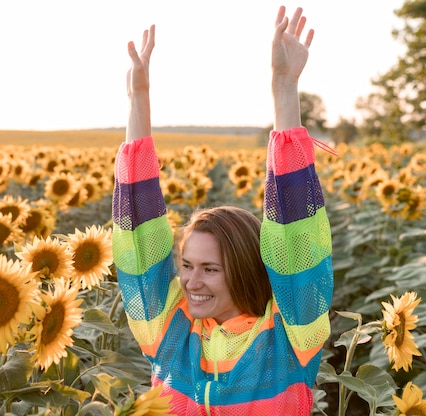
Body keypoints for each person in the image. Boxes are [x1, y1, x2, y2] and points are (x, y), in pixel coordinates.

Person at [111, 5, 334, 415]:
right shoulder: (170, 330)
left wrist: (284, 87)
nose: (192, 281)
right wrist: (137, 101)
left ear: (247, 268)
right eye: (187, 264)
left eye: (211, 269)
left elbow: (295, 234)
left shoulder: (289, 337)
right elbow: (138, 237)